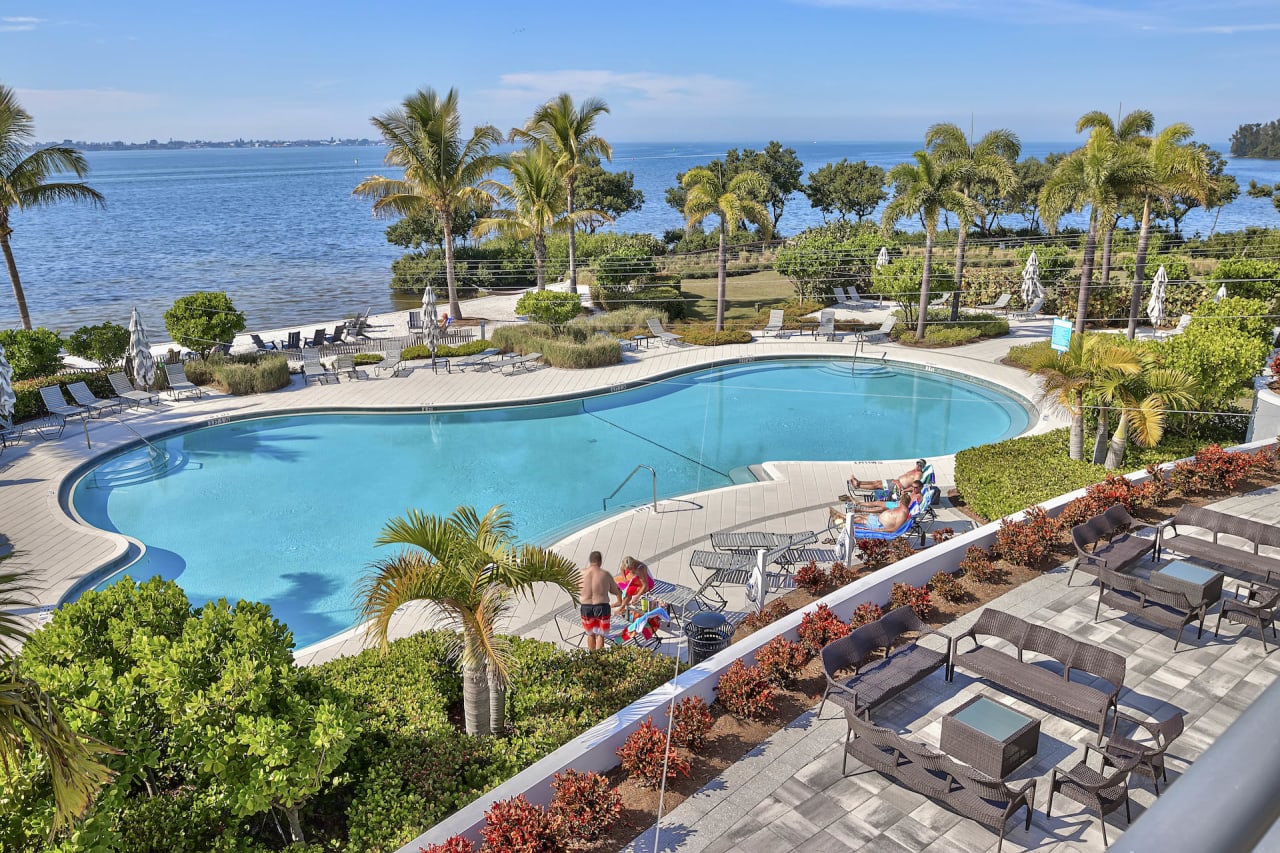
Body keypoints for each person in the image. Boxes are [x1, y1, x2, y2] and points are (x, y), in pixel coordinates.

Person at [579, 550, 621, 652]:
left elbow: (576, 589)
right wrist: (619, 600)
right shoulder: (605, 574)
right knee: (600, 635)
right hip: (602, 607)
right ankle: (599, 660)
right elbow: (615, 590)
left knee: (590, 634)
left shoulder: (581, 573)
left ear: (590, 561)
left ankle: (592, 658)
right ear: (600, 561)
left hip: (586, 607)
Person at [849, 459, 926, 495]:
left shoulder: (918, 474)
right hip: (895, 481)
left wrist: (903, 490)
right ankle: (858, 482)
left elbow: (915, 486)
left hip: (897, 486)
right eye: (917, 464)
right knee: (876, 482)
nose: (918, 466)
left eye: (920, 465)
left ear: (922, 467)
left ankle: (858, 486)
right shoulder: (914, 470)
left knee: (877, 486)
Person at [857, 480, 923, 513]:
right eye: (913, 487)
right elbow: (906, 490)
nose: (914, 489)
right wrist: (904, 492)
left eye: (916, 488)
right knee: (877, 502)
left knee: (881, 508)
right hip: (897, 503)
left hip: (899, 508)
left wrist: (903, 499)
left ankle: (860, 510)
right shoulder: (914, 490)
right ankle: (858, 503)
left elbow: (910, 507)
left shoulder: (918, 497)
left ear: (920, 488)